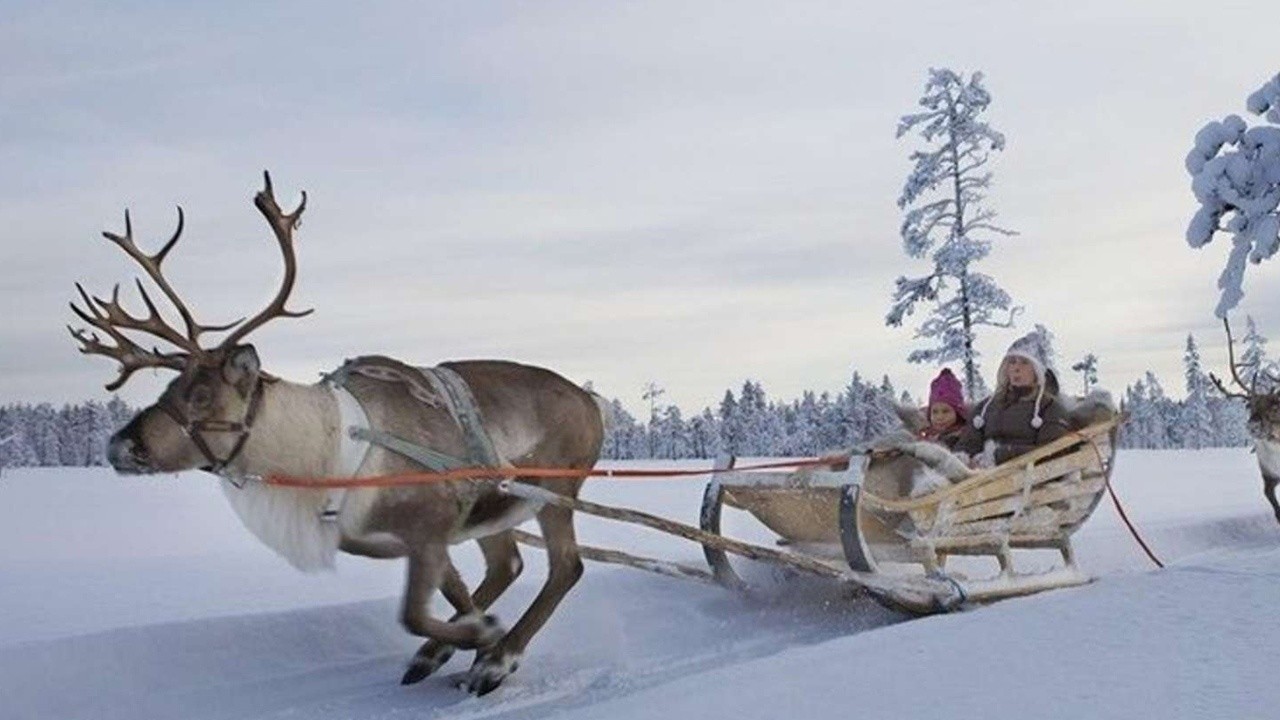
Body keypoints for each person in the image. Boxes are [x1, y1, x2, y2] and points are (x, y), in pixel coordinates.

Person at [956, 332, 1071, 466]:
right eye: (1012, 362)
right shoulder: (986, 407)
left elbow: (1052, 451)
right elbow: (968, 443)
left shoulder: (1050, 407)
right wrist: (962, 458)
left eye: (1024, 363)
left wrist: (1000, 455)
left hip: (1026, 478)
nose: (1016, 368)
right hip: (981, 475)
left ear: (1037, 370)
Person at [919, 368, 967, 450]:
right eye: (934, 412)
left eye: (946, 411)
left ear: (957, 412)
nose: (940, 417)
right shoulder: (925, 435)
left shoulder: (964, 436)